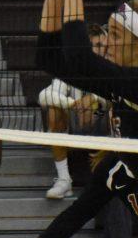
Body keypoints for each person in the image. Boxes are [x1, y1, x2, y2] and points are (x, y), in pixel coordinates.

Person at [6, 0, 138, 238]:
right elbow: (49, 60)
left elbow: (80, 56)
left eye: (115, 36)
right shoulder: (120, 164)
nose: (108, 45)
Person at [40, 24, 108, 199]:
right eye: (95, 46)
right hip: (77, 124)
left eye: (102, 46)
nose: (99, 50)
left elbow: (117, 96)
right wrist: (72, 104)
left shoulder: (112, 69)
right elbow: (44, 95)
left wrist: (94, 99)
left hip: (105, 128)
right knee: (55, 110)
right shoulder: (71, 69)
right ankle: (64, 180)